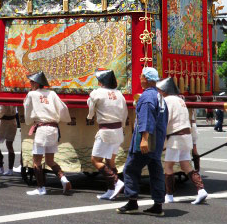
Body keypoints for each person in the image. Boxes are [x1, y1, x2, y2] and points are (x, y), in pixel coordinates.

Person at [117, 67, 167, 216]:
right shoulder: (159, 96)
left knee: (131, 169)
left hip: (147, 140)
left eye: (141, 75)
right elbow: (163, 120)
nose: (139, 77)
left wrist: (144, 139)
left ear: (145, 78)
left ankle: (132, 201)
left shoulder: (147, 97)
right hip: (157, 140)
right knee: (156, 171)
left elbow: (147, 118)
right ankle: (158, 204)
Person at [159, 77, 208, 205]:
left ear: (164, 90)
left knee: (168, 166)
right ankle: (201, 189)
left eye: (160, 90)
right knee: (186, 165)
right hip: (186, 136)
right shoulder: (180, 100)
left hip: (175, 137)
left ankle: (169, 195)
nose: (159, 92)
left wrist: (161, 139)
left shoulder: (167, 101)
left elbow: (165, 120)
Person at [23, 71, 71, 196]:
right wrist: (63, 119)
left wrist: (29, 121)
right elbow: (63, 108)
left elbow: (27, 111)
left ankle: (41, 188)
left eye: (31, 82)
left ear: (36, 83)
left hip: (42, 129)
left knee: (36, 161)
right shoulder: (52, 93)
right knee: (50, 160)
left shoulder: (32, 94)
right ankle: (63, 179)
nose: (30, 84)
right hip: (54, 129)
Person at [87, 69, 128, 200]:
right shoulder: (119, 94)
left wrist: (90, 103)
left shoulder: (96, 93)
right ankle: (111, 190)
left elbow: (91, 112)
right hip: (118, 130)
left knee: (95, 160)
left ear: (101, 82)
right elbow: (125, 114)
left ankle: (116, 182)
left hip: (106, 131)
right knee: (110, 161)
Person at [0, 102, 18, 176]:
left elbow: (0, 111)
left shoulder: (4, 98)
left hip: (4, 123)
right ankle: (9, 169)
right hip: (13, 121)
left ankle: (0, 167)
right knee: (9, 145)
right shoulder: (13, 96)